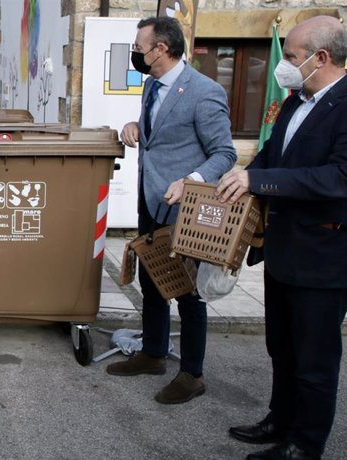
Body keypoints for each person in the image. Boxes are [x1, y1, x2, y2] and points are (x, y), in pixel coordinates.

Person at [218, 15, 347, 460]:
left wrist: (262, 182)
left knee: (315, 361)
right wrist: (245, 175)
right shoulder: (296, 101)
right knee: (282, 346)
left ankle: (304, 445)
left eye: (291, 56)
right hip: (284, 249)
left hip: (324, 256)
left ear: (321, 58)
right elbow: (274, 154)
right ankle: (280, 420)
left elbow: (338, 178)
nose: (284, 65)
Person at [106, 17, 237, 404]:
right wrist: (135, 126)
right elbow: (159, 134)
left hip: (185, 210)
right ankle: (153, 353)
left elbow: (225, 152)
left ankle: (192, 375)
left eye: (139, 46)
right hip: (150, 203)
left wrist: (192, 179)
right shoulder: (151, 85)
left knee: (188, 293)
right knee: (151, 282)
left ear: (160, 48)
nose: (136, 53)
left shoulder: (204, 91)